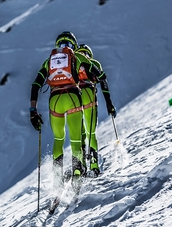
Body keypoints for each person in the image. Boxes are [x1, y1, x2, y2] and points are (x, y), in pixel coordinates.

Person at [29, 32, 102, 198]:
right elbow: (96, 72)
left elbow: (35, 84)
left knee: (58, 140)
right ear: (73, 45)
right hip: (73, 98)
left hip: (55, 100)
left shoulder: (49, 61)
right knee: (76, 139)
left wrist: (33, 111)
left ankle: (57, 180)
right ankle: (77, 171)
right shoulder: (76, 57)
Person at [74, 44, 116, 177]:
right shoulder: (94, 63)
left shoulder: (73, 63)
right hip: (89, 96)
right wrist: (109, 104)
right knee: (90, 132)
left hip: (74, 97)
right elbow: (103, 83)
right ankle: (94, 164)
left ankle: (79, 166)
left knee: (78, 134)